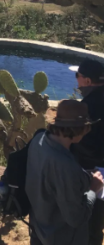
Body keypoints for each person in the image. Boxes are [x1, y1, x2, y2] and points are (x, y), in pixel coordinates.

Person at [26, 100, 104, 245]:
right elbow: (76, 218)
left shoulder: (38, 140)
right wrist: (94, 189)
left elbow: (50, 178)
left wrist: (82, 175)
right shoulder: (66, 166)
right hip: (62, 237)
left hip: (38, 226)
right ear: (81, 129)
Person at [72, 59, 104, 245]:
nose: (76, 80)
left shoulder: (87, 107)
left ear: (88, 81)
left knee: (87, 219)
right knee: (97, 222)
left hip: (92, 171)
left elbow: (81, 143)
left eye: (78, 76)